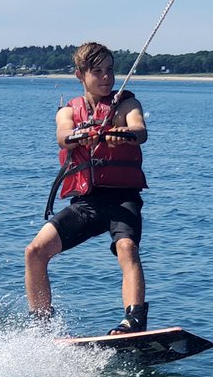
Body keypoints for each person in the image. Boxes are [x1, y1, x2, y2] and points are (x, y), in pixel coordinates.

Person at [24, 42, 150, 334]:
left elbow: (139, 129)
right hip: (87, 203)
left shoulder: (126, 103)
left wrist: (125, 135)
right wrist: (81, 135)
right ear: (80, 75)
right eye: (98, 72)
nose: (107, 78)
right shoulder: (69, 110)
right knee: (35, 251)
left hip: (122, 198)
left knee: (127, 247)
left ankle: (133, 321)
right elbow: (62, 135)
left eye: (110, 70)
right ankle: (41, 326)